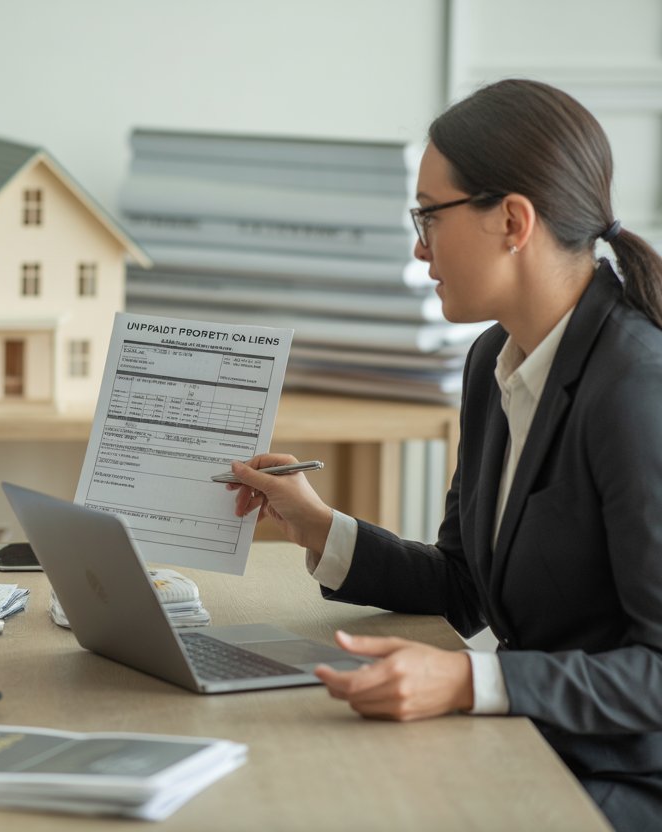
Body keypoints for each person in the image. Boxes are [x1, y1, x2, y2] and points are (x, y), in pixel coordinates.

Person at [226, 79, 662, 830]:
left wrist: (470, 681)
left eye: (430, 214)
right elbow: (465, 584)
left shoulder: (634, 390)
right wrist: (319, 527)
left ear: (513, 221)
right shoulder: (494, 362)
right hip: (532, 743)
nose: (418, 246)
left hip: (618, 781)